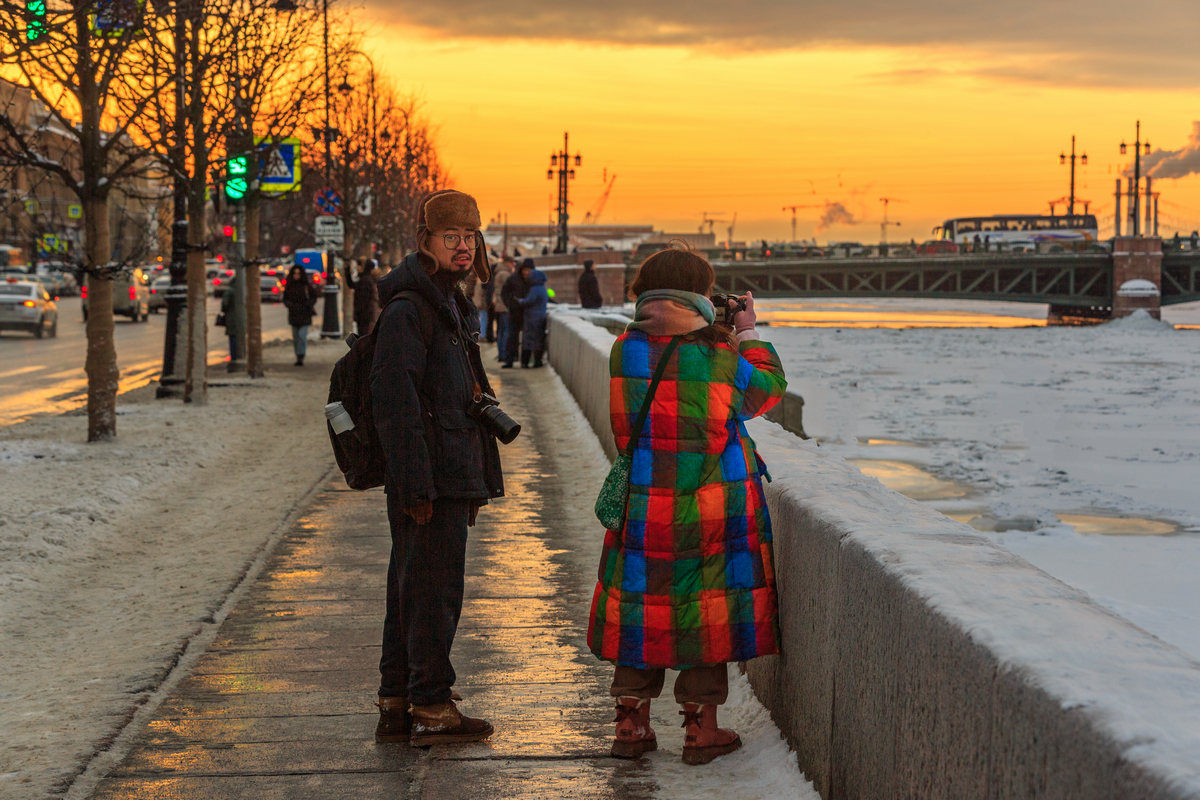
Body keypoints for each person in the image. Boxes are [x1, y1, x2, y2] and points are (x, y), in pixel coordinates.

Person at [587, 244, 786, 766]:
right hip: (711, 507)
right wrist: (746, 330)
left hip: (646, 502)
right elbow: (764, 394)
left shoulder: (623, 349)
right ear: (699, 294)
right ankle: (702, 731)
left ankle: (630, 724)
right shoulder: (720, 354)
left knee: (641, 609)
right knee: (703, 614)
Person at [370, 189, 504, 747]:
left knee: (411, 586)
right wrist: (416, 485)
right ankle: (431, 701)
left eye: (470, 236)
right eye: (451, 236)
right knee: (433, 589)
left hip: (444, 470)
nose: (463, 246)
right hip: (429, 476)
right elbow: (394, 401)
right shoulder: (410, 310)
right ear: (425, 241)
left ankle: (397, 701)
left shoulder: (445, 303)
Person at [282, 265, 317, 366]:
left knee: (301, 336)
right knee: (296, 337)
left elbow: (313, 297)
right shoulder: (289, 286)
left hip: (304, 314)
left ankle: (301, 355)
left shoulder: (307, 286)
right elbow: (285, 299)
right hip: (294, 314)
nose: (296, 276)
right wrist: (290, 305)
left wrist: (308, 305)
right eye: (295, 273)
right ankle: (298, 355)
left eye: (298, 273)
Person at [499, 258, 531, 368]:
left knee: (526, 339)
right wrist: (510, 305)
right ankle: (509, 360)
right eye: (525, 270)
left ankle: (525, 361)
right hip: (514, 312)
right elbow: (504, 293)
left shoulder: (533, 280)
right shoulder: (512, 279)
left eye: (529, 270)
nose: (527, 272)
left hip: (527, 314)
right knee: (512, 337)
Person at [518, 266, 548, 368]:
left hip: (532, 318)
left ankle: (525, 362)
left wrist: (521, 301)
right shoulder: (543, 288)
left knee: (528, 341)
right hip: (540, 317)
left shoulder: (534, 289)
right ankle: (538, 361)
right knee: (538, 340)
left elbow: (529, 301)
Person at [350, 258, 382, 336]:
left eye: (358, 265)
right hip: (367, 314)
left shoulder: (365, 280)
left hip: (365, 315)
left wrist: (357, 313)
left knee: (364, 334)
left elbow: (362, 300)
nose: (356, 267)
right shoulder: (367, 279)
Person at [491, 257, 513, 360]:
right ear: (508, 263)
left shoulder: (498, 272)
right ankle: (504, 354)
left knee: (501, 331)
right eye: (512, 263)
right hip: (504, 306)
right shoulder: (505, 274)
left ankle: (501, 353)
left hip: (499, 306)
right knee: (505, 331)